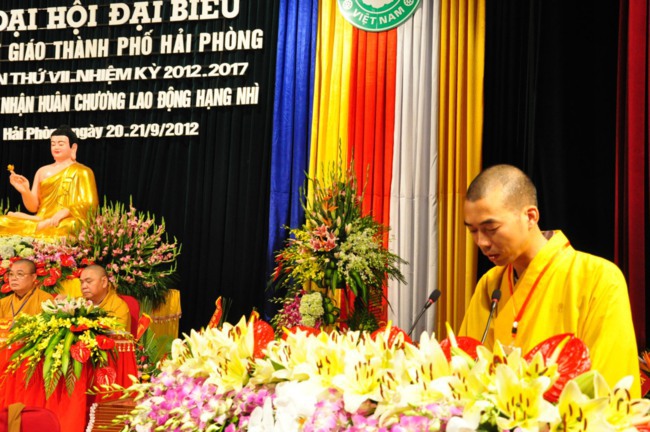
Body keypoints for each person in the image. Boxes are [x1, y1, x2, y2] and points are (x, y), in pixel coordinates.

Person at [459, 164, 641, 398]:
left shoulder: (598, 278)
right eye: (473, 231)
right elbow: (465, 369)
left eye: (491, 228)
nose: (482, 242)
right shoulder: (490, 284)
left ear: (530, 216)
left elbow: (610, 385)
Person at [0, 126, 99, 239]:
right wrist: (25, 191)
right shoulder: (42, 171)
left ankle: (38, 229)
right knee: (2, 221)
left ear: (73, 147)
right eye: (53, 144)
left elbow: (90, 204)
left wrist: (67, 211)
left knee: (72, 226)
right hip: (41, 219)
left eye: (61, 144)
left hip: (63, 221)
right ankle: (40, 227)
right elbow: (33, 208)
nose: (56, 147)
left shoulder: (83, 171)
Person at [0, 259, 53, 326]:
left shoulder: (45, 300)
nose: (13, 278)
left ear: (33, 277)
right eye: (11, 274)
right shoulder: (3, 303)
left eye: (20, 274)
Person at [79, 264, 131, 331]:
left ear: (104, 282)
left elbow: (118, 335)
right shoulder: (78, 303)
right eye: (81, 282)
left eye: (89, 281)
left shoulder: (118, 307)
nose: (83, 286)